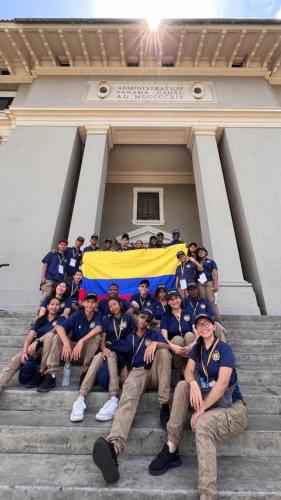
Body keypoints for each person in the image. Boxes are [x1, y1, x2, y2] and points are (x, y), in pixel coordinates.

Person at [148, 313, 247, 500]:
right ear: (196, 330)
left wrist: (201, 409)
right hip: (210, 402)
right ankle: (171, 447)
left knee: (202, 424)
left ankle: (207, 494)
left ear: (213, 326)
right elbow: (188, 370)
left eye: (207, 323)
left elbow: (223, 383)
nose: (204, 327)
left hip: (231, 408)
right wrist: (193, 383)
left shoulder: (224, 349)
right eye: (199, 325)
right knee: (183, 385)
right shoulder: (198, 349)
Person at [92, 308, 172, 484]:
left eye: (148, 319)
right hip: (137, 372)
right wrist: (123, 366)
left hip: (155, 373)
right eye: (142, 317)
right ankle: (113, 448)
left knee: (164, 353)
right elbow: (120, 352)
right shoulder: (128, 336)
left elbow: (168, 346)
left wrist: (156, 344)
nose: (144, 320)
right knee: (127, 400)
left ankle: (164, 404)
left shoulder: (154, 334)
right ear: (137, 318)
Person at [70, 297, 135, 422]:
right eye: (110, 306)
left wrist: (124, 366)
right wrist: (103, 348)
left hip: (121, 352)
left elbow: (130, 343)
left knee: (111, 356)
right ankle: (81, 398)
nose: (113, 308)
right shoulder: (107, 319)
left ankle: (114, 398)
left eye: (115, 304)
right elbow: (103, 338)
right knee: (98, 356)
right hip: (108, 348)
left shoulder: (128, 319)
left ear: (120, 304)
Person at [37, 292, 102, 392]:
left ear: (96, 304)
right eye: (88, 301)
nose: (90, 304)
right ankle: (51, 375)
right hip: (70, 352)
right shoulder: (77, 314)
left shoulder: (98, 315)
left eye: (93, 302)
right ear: (83, 303)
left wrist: (81, 341)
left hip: (84, 352)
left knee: (97, 337)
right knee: (58, 337)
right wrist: (67, 343)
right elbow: (59, 327)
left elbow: (98, 328)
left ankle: (85, 372)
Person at [0, 297, 62, 393]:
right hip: (35, 350)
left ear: (59, 307)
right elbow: (29, 338)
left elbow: (54, 330)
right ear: (48, 306)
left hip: (50, 352)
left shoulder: (61, 319)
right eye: (52, 304)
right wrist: (25, 352)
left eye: (57, 304)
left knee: (50, 336)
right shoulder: (40, 320)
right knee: (15, 360)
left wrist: (37, 340)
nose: (54, 307)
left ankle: (41, 372)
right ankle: (0, 385)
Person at [160, 290, 197, 374]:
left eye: (176, 298)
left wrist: (192, 344)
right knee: (177, 339)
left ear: (180, 299)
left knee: (190, 335)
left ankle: (191, 368)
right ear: (168, 302)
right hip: (175, 350)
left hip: (190, 346)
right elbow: (164, 337)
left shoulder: (189, 313)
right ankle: (181, 370)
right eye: (171, 299)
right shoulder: (165, 317)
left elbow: (197, 333)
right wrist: (173, 346)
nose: (175, 301)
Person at [197, 247, 221, 321]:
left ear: (206, 252)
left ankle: (217, 319)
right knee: (203, 300)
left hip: (209, 282)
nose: (201, 253)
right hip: (201, 283)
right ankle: (207, 318)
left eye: (202, 252)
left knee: (211, 300)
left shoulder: (211, 261)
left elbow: (215, 273)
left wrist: (216, 284)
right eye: (199, 252)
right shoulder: (198, 262)